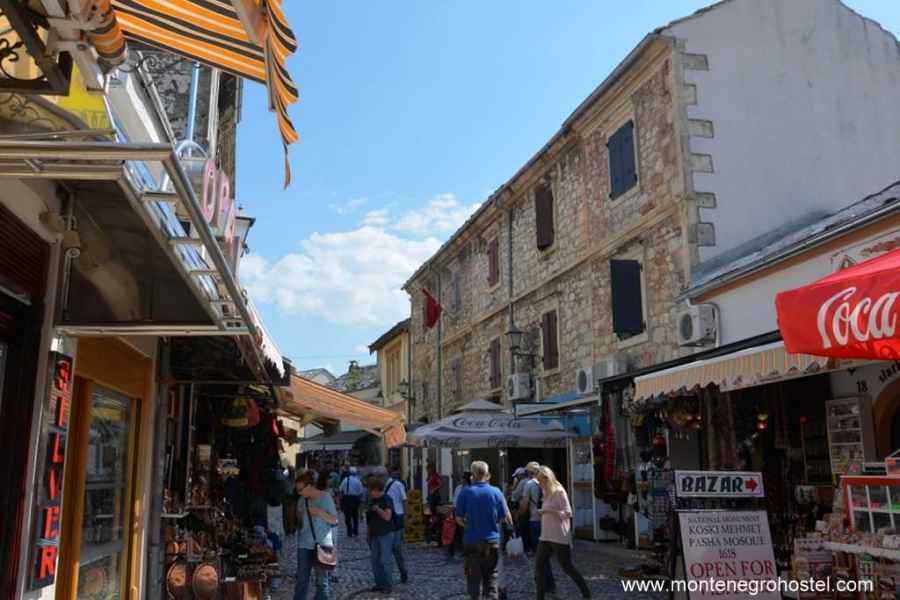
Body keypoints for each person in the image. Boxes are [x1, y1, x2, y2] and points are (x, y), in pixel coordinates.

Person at [454, 461, 512, 600]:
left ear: (472, 475)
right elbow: (504, 517)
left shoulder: (465, 492)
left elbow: (458, 519)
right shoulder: (496, 491)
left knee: (474, 580)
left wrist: (469, 525)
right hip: (491, 541)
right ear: (487, 474)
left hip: (472, 540)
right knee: (491, 578)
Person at [535, 466, 591, 600]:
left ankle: (587, 594)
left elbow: (568, 513)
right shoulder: (545, 491)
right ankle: (539, 597)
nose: (540, 484)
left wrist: (548, 511)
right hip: (545, 536)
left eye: (541, 481)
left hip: (559, 536)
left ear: (547, 478)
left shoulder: (559, 491)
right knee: (539, 567)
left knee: (567, 567)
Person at [294, 469, 338, 600]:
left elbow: (334, 520)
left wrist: (319, 513)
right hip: (304, 544)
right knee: (302, 579)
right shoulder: (301, 501)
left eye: (300, 490)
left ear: (309, 486)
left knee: (322, 581)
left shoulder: (325, 498)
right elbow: (300, 523)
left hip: (323, 543)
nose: (299, 493)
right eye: (297, 490)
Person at [520, 462, 555, 593]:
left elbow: (524, 505)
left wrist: (517, 515)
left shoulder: (529, 484)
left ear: (529, 473)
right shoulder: (549, 484)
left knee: (539, 554)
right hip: (548, 521)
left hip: (535, 521)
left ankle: (545, 583)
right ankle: (546, 582)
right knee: (545, 554)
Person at [377, 466, 409, 584]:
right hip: (385, 519)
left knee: (396, 547)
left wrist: (406, 516)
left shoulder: (397, 485)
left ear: (386, 475)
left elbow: (404, 500)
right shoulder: (380, 487)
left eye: (380, 476)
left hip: (397, 518)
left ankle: (402, 570)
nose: (379, 478)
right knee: (386, 549)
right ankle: (386, 575)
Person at [366, 477, 396, 594]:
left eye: (370, 490)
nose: (369, 492)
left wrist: (378, 509)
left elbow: (388, 517)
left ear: (376, 489)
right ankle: (379, 583)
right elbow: (369, 519)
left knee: (385, 560)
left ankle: (388, 585)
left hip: (385, 533)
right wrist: (368, 534)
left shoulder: (386, 499)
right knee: (375, 560)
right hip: (374, 534)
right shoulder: (372, 500)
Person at [448, 471, 472, 559]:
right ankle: (453, 550)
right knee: (457, 531)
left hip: (466, 513)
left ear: (465, 480)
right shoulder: (458, 488)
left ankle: (461, 550)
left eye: (462, 478)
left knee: (462, 532)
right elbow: (455, 500)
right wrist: (453, 510)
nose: (461, 480)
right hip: (458, 512)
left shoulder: (471, 489)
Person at [338, 466, 363, 537]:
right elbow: (361, 491)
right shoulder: (358, 481)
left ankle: (349, 531)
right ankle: (355, 531)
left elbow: (340, 489)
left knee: (347, 516)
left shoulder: (345, 480)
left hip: (347, 499)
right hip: (355, 499)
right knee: (355, 516)